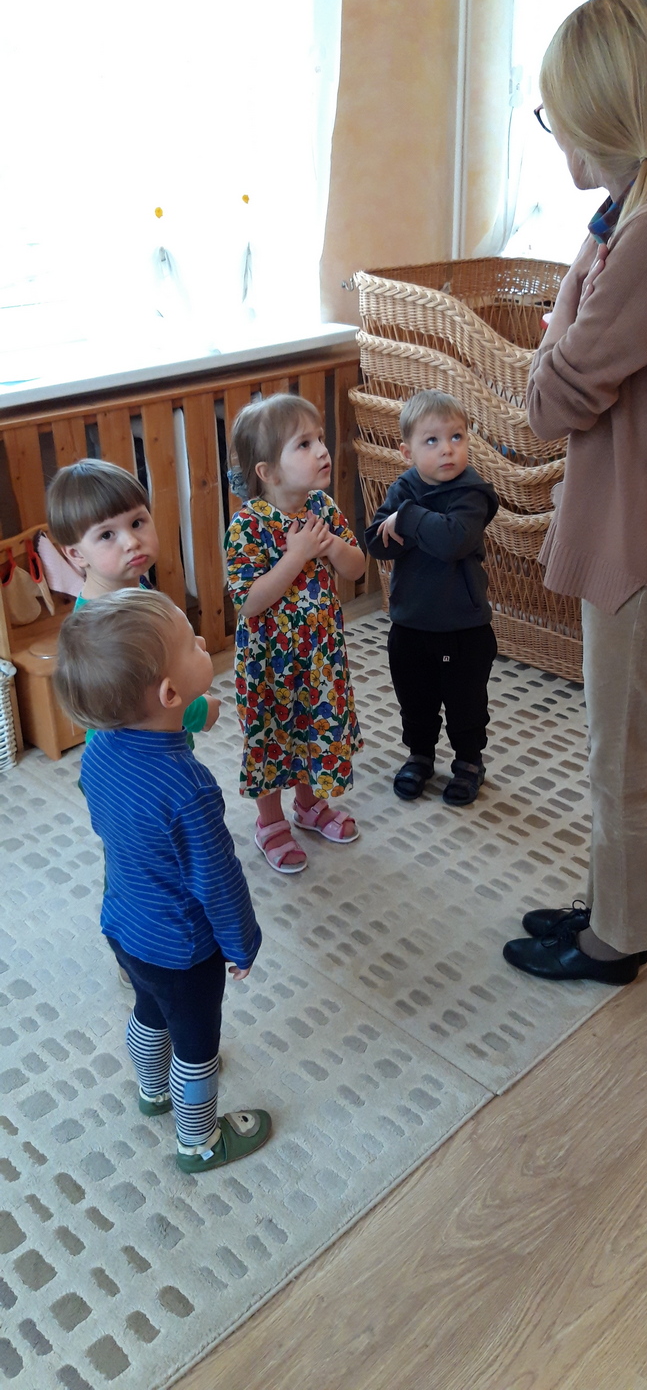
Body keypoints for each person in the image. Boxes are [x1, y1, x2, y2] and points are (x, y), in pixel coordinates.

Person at [503, 0, 647, 985]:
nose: (556, 136)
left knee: (623, 756)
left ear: (603, 115)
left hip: (644, 531)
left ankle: (619, 941)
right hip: (641, 513)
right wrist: (606, 224)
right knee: (613, 745)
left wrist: (565, 311)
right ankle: (611, 903)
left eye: (558, 115)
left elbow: (552, 397)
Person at [54, 588, 272, 1173]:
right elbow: (218, 880)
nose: (203, 640)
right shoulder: (188, 788)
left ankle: (152, 1091)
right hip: (183, 949)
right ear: (171, 695)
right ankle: (198, 1143)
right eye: (191, 643)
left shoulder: (99, 753)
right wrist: (242, 941)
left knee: (149, 1010)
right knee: (197, 1044)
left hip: (124, 925)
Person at [225, 393, 365, 873]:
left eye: (320, 438)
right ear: (267, 472)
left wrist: (330, 547)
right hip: (270, 665)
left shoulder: (322, 507)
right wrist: (297, 555)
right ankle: (270, 823)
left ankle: (309, 806)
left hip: (320, 657)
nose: (322, 450)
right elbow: (249, 601)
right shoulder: (247, 525)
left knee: (312, 729)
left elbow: (356, 566)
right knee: (272, 738)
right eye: (304, 444)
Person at [365, 389, 499, 806]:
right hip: (411, 622)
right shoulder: (403, 487)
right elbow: (377, 542)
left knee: (466, 703)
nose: (447, 449)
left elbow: (453, 541)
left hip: (464, 626)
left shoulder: (472, 492)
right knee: (415, 699)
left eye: (457, 437)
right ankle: (420, 755)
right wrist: (409, 523)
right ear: (407, 452)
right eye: (432, 441)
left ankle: (469, 762)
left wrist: (408, 518)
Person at [46, 458, 220, 744]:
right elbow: (142, 697)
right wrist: (199, 710)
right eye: (107, 534)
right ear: (76, 554)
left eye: (137, 522)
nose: (131, 542)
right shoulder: (101, 628)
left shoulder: (135, 589)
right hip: (136, 755)